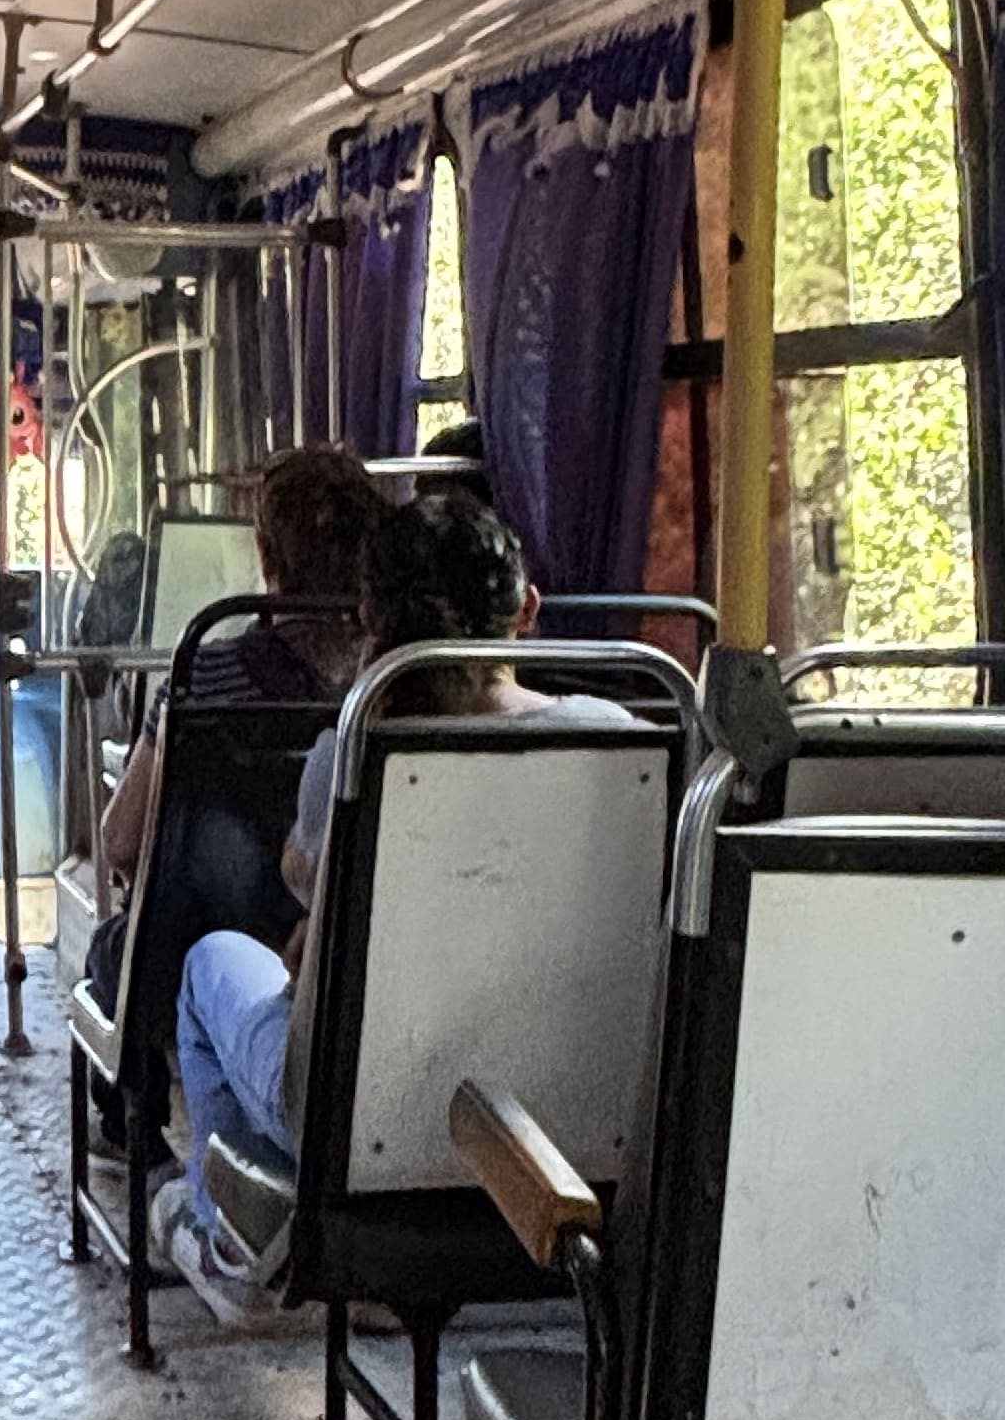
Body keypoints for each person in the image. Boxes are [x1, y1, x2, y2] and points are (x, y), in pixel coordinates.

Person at [155, 483, 632, 1318]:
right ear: (526, 609)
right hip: (571, 1117)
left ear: (372, 621)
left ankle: (232, 1231)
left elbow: (306, 891)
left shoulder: (351, 754)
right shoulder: (619, 737)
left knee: (210, 965)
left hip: (367, 1117)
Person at [78, 444, 379, 1167]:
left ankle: (134, 1133)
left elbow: (120, 845)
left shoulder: (201, 675)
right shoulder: (394, 687)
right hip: (347, 956)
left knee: (111, 950)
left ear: (267, 565)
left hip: (191, 951)